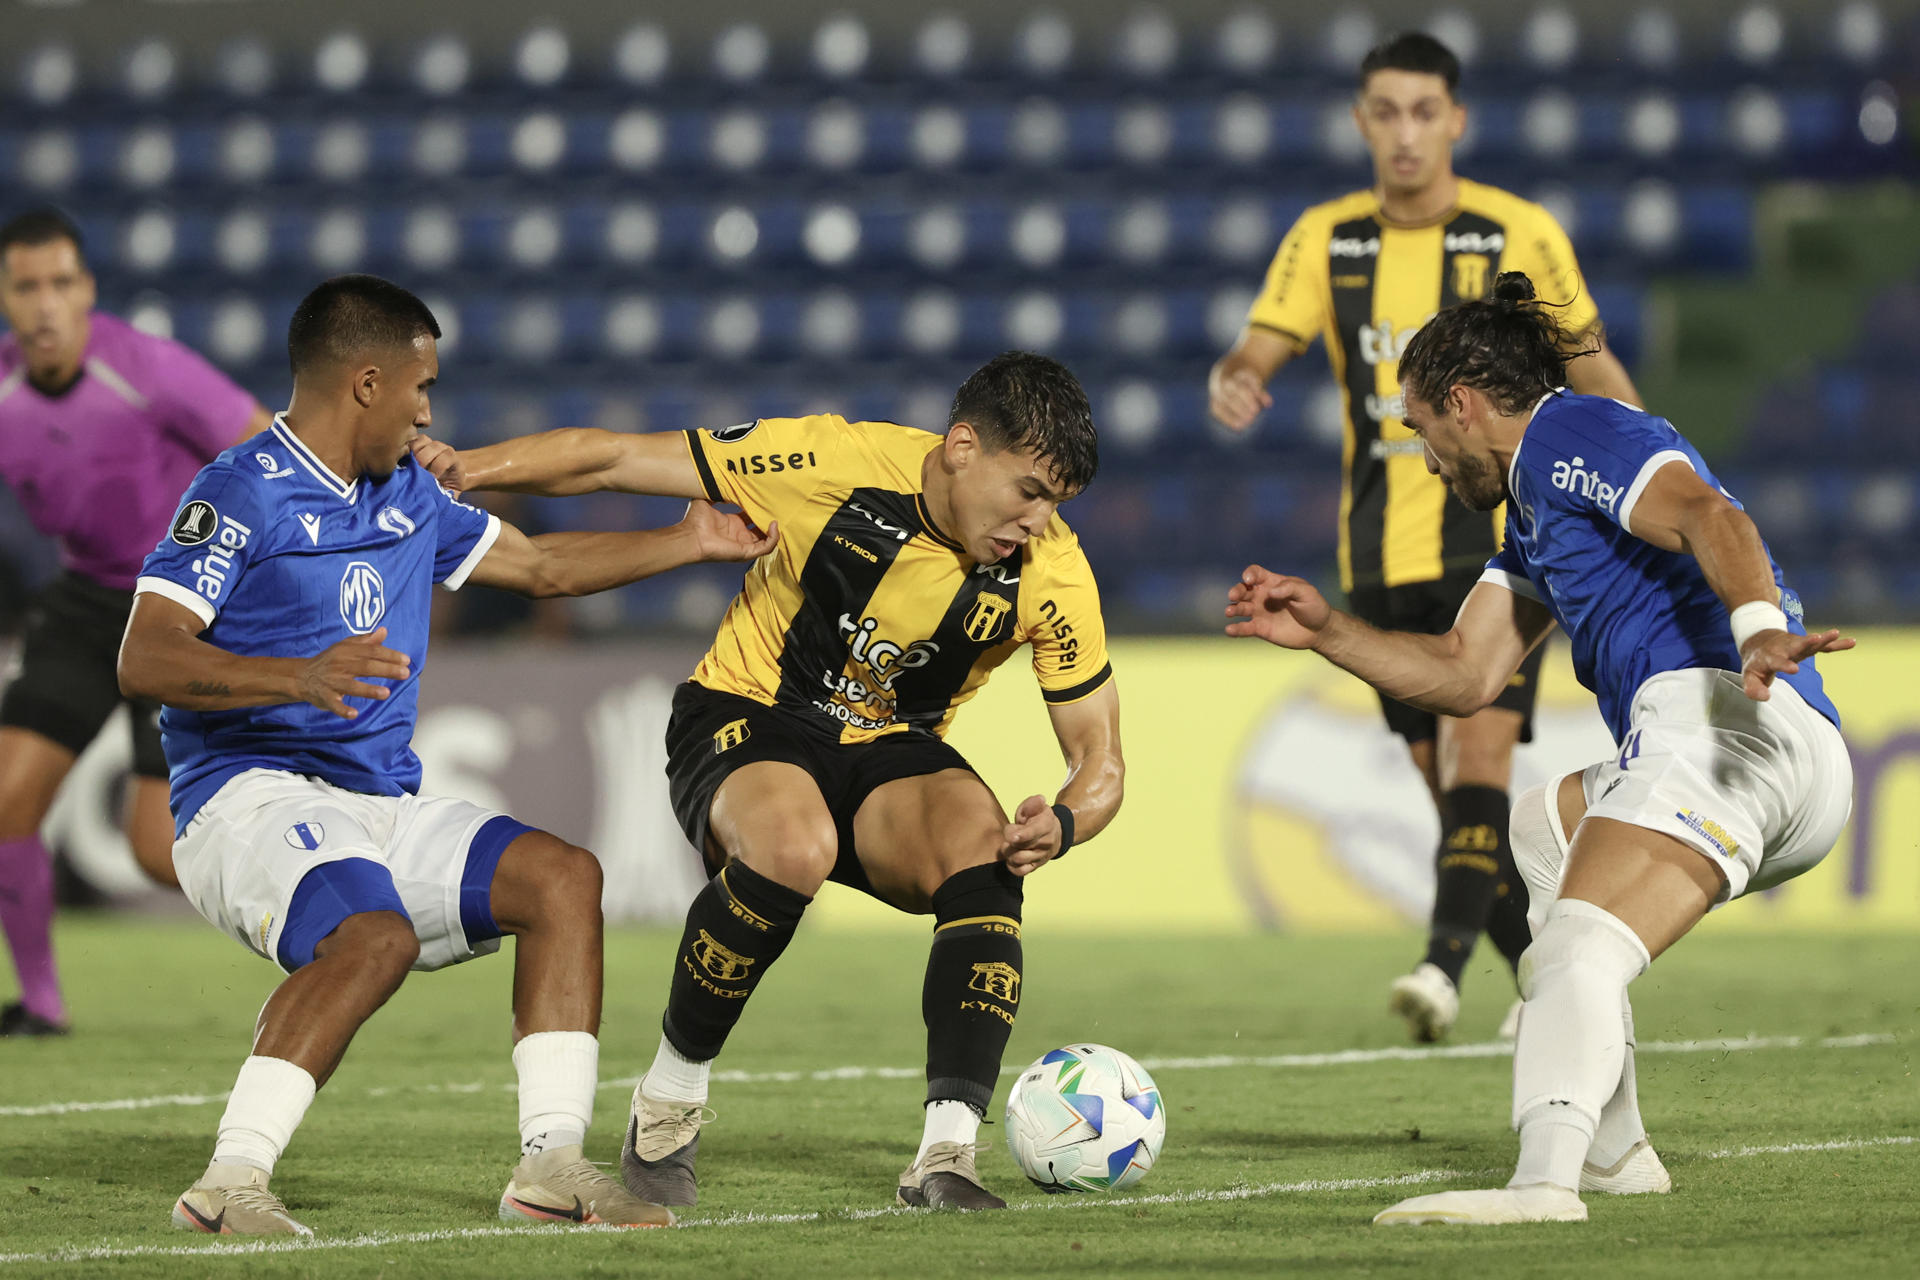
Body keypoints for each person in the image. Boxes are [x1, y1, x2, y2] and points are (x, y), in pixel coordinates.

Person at [119, 274, 776, 1235]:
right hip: (245, 798)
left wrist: (688, 541)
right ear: (368, 383)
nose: (429, 412)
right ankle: (228, 1184)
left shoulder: (408, 495)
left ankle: (551, 1167)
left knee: (561, 879)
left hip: (377, 801)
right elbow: (146, 656)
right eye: (421, 387)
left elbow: (541, 567)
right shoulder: (241, 490)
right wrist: (295, 677)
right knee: (374, 938)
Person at [416, 351, 1124, 1211]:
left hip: (888, 751)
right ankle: (668, 1101)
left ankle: (947, 1155)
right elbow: (613, 458)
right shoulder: (831, 461)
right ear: (964, 447)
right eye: (1029, 492)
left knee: (986, 851)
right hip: (745, 712)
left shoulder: (1053, 573)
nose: (1039, 522)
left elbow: (1101, 761)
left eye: (1056, 504)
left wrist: (1065, 820)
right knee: (793, 846)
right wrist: (469, 467)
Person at [1226, 272, 1852, 1225]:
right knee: (1542, 830)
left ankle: (1543, 1185)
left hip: (1728, 724)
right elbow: (1465, 673)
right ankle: (1612, 1154)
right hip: (1753, 749)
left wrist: (1759, 629)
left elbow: (1711, 515)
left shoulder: (1573, 432)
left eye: (1421, 429)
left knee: (1576, 946)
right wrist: (1327, 631)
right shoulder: (1533, 513)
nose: (1426, 458)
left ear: (1463, 405)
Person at [1207, 33, 1645, 1041]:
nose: (1405, 133)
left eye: (1423, 111)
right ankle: (1549, 981)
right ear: (1361, 121)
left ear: (1456, 120)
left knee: (1477, 749)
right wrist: (1239, 375)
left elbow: (1593, 368)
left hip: (1496, 542)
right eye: (1386, 112)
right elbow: (1258, 344)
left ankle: (1441, 969)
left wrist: (1645, 466)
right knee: (1451, 798)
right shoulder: (1326, 238)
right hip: (1377, 556)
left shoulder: (1517, 231)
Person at [0, 207, 272, 1036]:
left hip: (182, 604)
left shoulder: (148, 369)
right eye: (26, 287)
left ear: (87, 290)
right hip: (86, 600)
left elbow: (269, 449)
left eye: (60, 283)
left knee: (156, 849)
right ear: (6, 300)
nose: (45, 304)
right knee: (7, 802)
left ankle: (327, 915)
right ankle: (41, 1004)